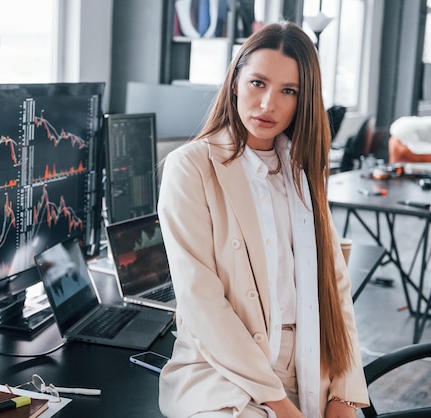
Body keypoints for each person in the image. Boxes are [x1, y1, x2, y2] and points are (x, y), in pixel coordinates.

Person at [157, 22, 369, 418]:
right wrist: (279, 406)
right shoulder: (191, 167)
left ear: (302, 101)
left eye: (288, 91)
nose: (269, 103)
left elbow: (334, 288)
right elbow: (201, 302)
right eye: (258, 83)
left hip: (309, 366)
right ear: (235, 82)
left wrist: (344, 393)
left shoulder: (304, 172)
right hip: (223, 373)